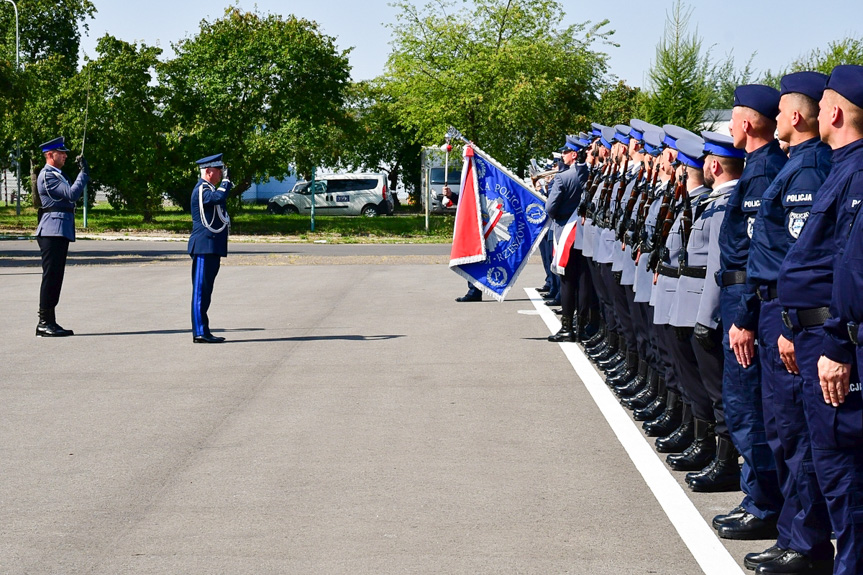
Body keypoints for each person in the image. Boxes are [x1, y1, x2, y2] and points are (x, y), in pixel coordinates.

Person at [741, 71, 834, 575]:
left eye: (780, 111)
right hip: (781, 309)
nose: (775, 118)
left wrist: (788, 323)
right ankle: (793, 533)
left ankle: (806, 542)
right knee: (785, 431)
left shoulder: (809, 170)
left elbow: (803, 257)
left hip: (790, 313)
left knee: (797, 434)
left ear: (795, 117)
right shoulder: (796, 166)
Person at [791, 63, 863, 575]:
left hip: (840, 341)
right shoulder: (843, 167)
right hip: (820, 332)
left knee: (844, 470)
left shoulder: (856, 172)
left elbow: (852, 268)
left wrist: (836, 344)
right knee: (832, 464)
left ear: (833, 111)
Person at [713, 84, 788, 541]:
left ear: (745, 124)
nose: (730, 129)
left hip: (748, 303)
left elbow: (756, 257)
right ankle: (757, 497)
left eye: (733, 119)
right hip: (743, 300)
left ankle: (763, 504)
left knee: (749, 409)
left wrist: (743, 316)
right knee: (747, 407)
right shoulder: (761, 168)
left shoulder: (761, 176)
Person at [34, 136, 89, 337]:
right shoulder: (47, 175)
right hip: (51, 231)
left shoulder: (58, 174)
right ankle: (43, 322)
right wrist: (83, 173)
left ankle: (50, 321)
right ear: (50, 155)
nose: (65, 155)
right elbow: (71, 194)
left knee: (56, 278)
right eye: (61, 152)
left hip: (59, 231)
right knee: (51, 278)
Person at [546, 135, 587, 342]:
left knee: (567, 281)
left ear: (574, 154)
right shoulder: (588, 174)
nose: (562, 156)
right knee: (582, 280)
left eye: (565, 152)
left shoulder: (563, 177)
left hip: (567, 230)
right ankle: (581, 325)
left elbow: (550, 207)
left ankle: (568, 327)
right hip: (584, 232)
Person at [189, 153, 232, 343]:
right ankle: (200, 332)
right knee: (200, 291)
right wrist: (227, 183)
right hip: (204, 247)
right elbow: (217, 198)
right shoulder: (201, 190)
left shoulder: (209, 188)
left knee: (206, 291)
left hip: (212, 247)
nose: (221, 174)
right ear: (208, 171)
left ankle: (204, 330)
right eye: (219, 171)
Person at [444, 184, 484, 302]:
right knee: (472, 256)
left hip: (487, 224)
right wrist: (451, 195)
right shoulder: (471, 178)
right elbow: (467, 199)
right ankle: (474, 290)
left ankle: (479, 290)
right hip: (473, 223)